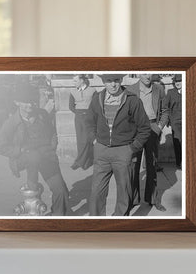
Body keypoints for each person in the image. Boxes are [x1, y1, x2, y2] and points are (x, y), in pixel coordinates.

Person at [0, 84, 69, 216]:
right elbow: (0, 145)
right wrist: (19, 150)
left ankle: (59, 218)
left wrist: (53, 146)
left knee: (61, 191)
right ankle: (32, 183)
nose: (30, 105)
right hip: (23, 158)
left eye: (32, 101)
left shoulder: (42, 114)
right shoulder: (11, 123)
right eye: (25, 101)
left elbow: (52, 132)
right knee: (33, 156)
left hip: (46, 156)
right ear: (17, 102)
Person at [85, 74, 151, 216]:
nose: (113, 85)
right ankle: (96, 223)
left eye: (116, 80)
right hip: (101, 150)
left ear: (121, 80)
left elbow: (145, 128)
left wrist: (132, 148)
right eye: (109, 81)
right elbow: (89, 122)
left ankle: (119, 222)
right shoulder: (97, 99)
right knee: (96, 191)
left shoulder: (132, 100)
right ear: (103, 82)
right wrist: (94, 140)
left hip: (123, 151)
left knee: (124, 192)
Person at [127, 74, 169, 210]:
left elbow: (165, 111)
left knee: (152, 165)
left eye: (150, 73)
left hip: (152, 129)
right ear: (138, 74)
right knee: (134, 166)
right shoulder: (130, 89)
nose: (147, 76)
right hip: (136, 131)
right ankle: (133, 200)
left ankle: (153, 199)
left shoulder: (158, 89)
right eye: (144, 73)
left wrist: (159, 127)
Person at [69, 74, 96, 170]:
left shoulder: (92, 91)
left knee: (87, 139)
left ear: (82, 80)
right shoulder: (72, 91)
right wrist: (78, 113)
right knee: (80, 140)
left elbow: (95, 104)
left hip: (89, 117)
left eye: (75, 80)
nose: (73, 83)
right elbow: (71, 106)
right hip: (78, 117)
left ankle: (79, 161)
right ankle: (86, 162)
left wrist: (89, 114)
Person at [164, 74, 182, 170]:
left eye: (180, 81)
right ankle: (179, 163)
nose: (178, 83)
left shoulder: (189, 90)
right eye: (176, 81)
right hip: (175, 121)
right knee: (178, 141)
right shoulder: (170, 92)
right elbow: (166, 107)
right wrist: (167, 120)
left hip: (187, 121)